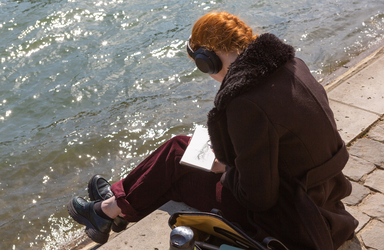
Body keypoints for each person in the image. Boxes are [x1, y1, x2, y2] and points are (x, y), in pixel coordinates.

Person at [67, 11, 358, 249]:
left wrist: (226, 169)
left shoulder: (246, 103)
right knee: (179, 149)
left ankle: (108, 211)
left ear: (210, 60)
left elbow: (258, 198)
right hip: (321, 194)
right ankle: (113, 206)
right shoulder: (293, 65)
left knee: (176, 165)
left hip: (290, 216)